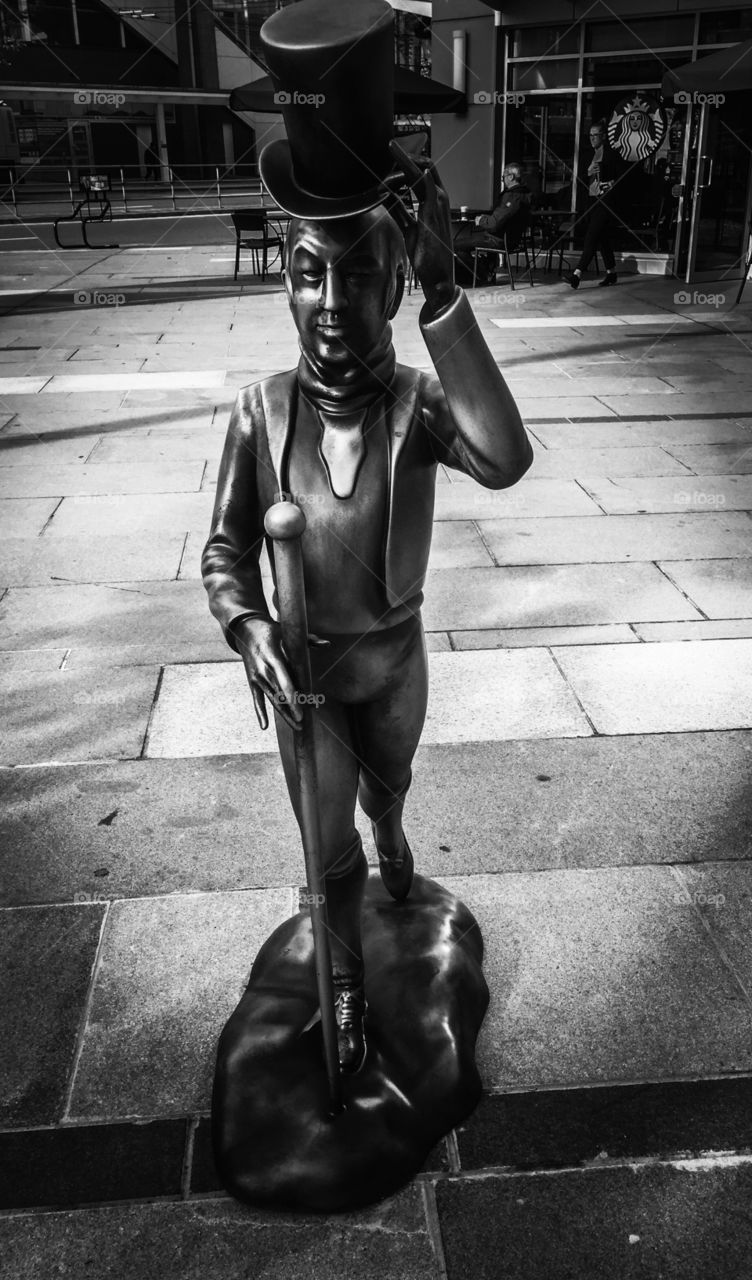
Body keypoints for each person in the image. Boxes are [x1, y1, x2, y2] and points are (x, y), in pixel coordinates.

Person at [202, 149, 532, 1073]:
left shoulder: (419, 406)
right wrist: (246, 623)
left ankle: (394, 821)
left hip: (393, 664)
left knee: (386, 787)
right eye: (311, 276)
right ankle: (344, 992)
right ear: (288, 287)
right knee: (325, 845)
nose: (333, 303)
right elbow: (225, 548)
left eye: (359, 279)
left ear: (389, 291)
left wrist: (445, 295)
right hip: (305, 683)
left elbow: (505, 459)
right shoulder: (258, 413)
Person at [563, 121, 625, 288]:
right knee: (601, 238)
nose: (592, 139)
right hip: (590, 201)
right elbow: (577, 180)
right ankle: (611, 273)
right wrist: (588, 172)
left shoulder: (613, 155)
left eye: (595, 135)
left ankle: (577, 274)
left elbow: (622, 179)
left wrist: (611, 183)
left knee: (591, 236)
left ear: (603, 136)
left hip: (605, 202)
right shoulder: (586, 155)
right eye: (590, 135)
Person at [453, 162, 532, 285]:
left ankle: (481, 274)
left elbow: (494, 224)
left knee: (454, 245)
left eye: (503, 177)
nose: (503, 180)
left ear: (511, 177)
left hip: (498, 240)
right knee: (466, 243)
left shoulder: (512, 197)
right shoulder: (526, 196)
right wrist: (487, 219)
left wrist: (481, 220)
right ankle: (485, 270)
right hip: (513, 240)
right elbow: (502, 218)